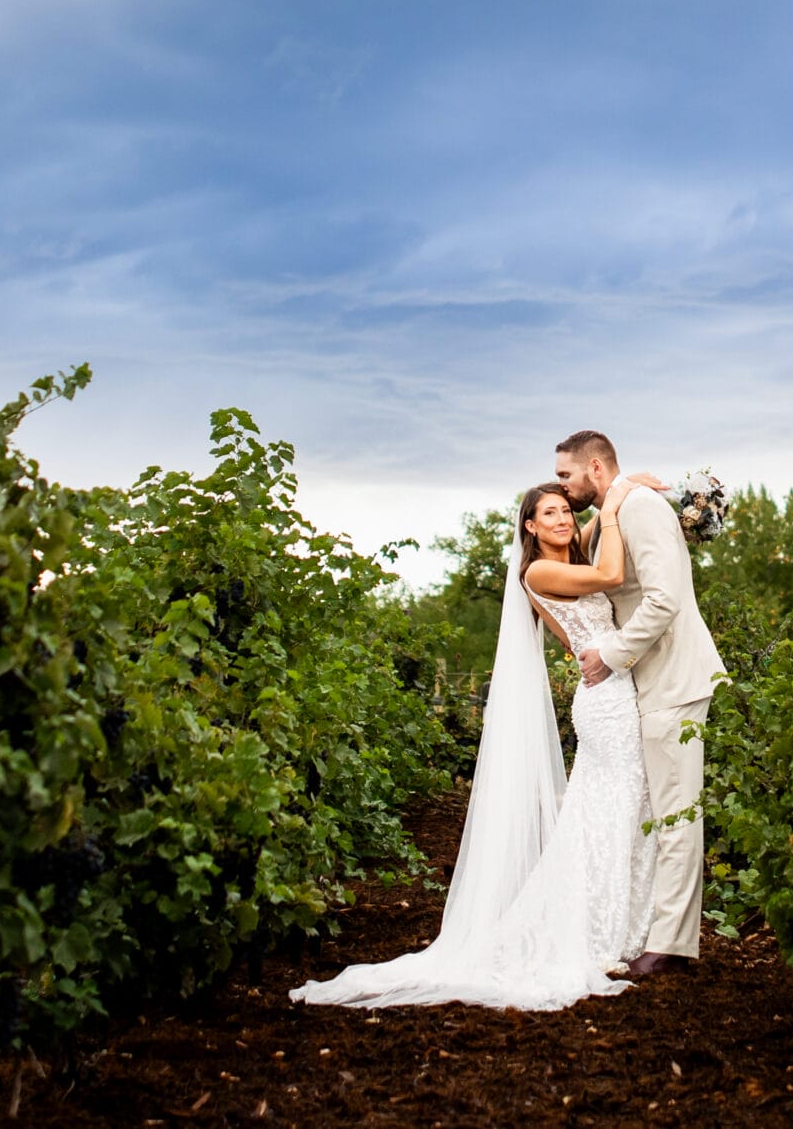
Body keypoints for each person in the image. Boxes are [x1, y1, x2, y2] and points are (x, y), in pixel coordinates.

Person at [288, 476, 664, 1011]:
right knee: (612, 809)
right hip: (605, 701)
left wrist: (623, 496)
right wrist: (618, 500)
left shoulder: (571, 557)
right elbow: (612, 573)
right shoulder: (538, 570)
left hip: (616, 687)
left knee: (616, 807)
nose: (561, 520)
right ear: (530, 527)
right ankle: (595, 933)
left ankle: (617, 927)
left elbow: (606, 559)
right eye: (549, 514)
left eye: (565, 512)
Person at [551, 429, 724, 978]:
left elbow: (664, 598)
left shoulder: (641, 509)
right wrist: (618, 495)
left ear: (594, 467)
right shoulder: (617, 508)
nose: (562, 485)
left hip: (672, 679)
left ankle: (672, 944)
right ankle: (655, 928)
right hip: (644, 688)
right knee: (658, 813)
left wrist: (612, 653)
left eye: (565, 475)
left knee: (676, 815)